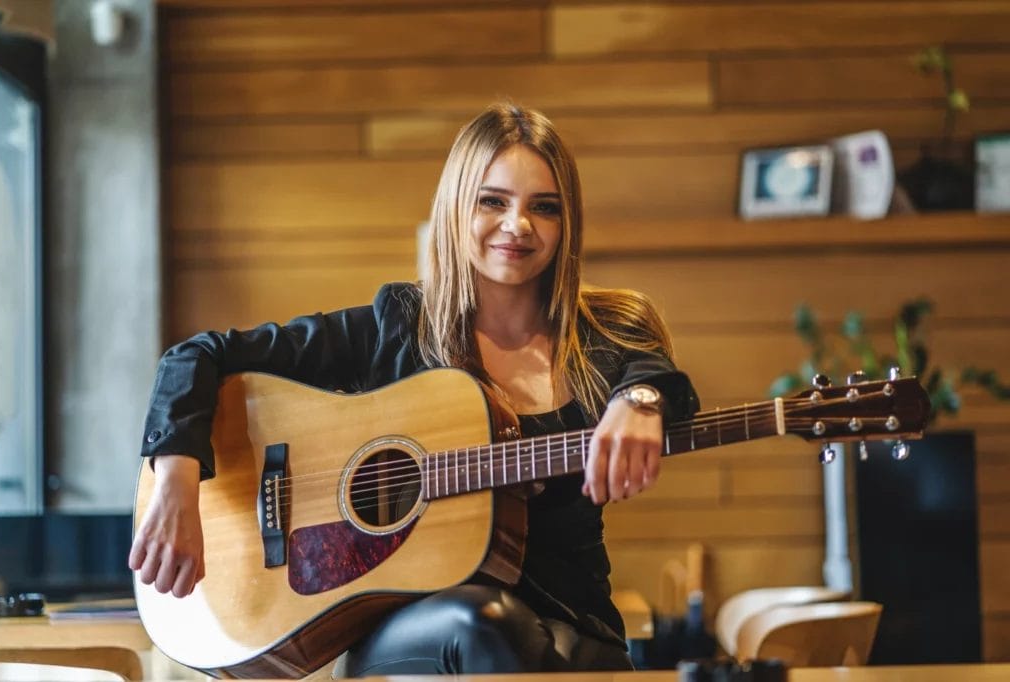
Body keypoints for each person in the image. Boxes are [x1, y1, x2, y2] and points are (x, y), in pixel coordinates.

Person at [129, 102, 700, 676]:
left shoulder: (606, 333)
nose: (518, 225)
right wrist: (176, 480)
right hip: (412, 638)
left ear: (566, 222)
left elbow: (657, 378)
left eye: (543, 208)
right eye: (493, 200)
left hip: (572, 625)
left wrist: (639, 403)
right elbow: (196, 356)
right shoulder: (397, 326)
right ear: (456, 207)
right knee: (484, 624)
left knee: (513, 636)